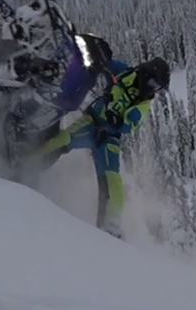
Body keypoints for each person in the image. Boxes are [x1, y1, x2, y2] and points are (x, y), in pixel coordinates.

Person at [36, 55, 171, 239]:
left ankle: (110, 228)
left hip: (109, 137)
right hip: (92, 121)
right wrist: (95, 59)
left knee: (113, 182)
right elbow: (106, 63)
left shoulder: (143, 102)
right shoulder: (126, 73)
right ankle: (29, 165)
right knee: (62, 140)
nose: (153, 90)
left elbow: (131, 123)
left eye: (158, 87)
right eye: (154, 84)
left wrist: (118, 122)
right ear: (148, 74)